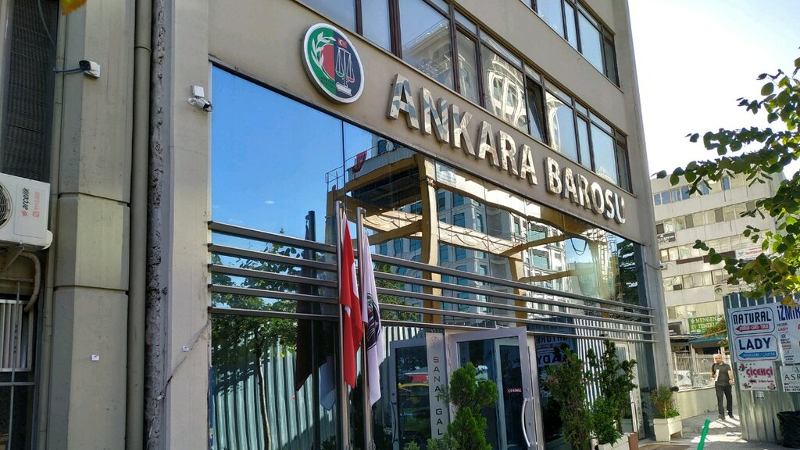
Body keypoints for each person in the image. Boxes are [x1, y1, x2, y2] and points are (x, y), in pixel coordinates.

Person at [711, 353, 735, 420]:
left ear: (721, 358)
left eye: (719, 358)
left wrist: (731, 379)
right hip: (718, 385)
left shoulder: (726, 366)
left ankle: (730, 413)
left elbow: (730, 374)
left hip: (727, 385)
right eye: (716, 358)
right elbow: (712, 374)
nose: (717, 359)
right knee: (720, 400)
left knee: (729, 399)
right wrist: (714, 376)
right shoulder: (714, 365)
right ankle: (721, 414)